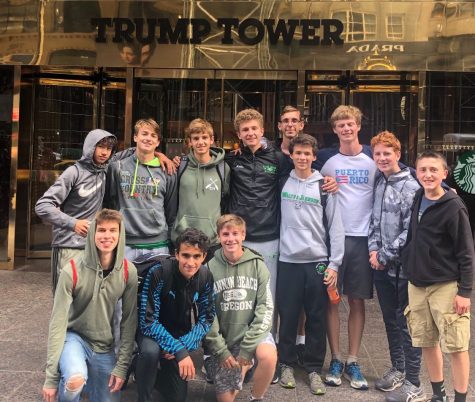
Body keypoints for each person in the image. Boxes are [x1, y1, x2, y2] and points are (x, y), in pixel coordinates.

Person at [42, 209, 138, 402]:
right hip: (74, 337)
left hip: (103, 345)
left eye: (113, 230)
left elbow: (128, 322)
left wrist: (122, 366)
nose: (107, 236)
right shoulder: (71, 271)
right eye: (101, 230)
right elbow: (57, 324)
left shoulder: (128, 271)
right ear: (93, 233)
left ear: (120, 234)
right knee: (74, 379)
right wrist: (50, 379)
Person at [402, 151, 474, 402]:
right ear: (417, 173)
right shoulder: (417, 197)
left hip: (446, 285)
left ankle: (461, 398)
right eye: (423, 170)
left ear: (444, 174)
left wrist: (465, 291)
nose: (428, 174)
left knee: (456, 345)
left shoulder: (454, 207)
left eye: (434, 170)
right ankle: (437, 394)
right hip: (417, 284)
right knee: (426, 341)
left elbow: (466, 252)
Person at [277, 134, 344, 395]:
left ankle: (315, 368)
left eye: (307, 153)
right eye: (298, 153)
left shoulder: (324, 187)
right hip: (288, 260)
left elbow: (337, 228)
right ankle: (286, 364)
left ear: (315, 157)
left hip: (317, 261)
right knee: (289, 316)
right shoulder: (282, 182)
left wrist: (334, 264)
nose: (303, 157)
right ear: (291, 155)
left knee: (316, 317)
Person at [316, 105, 377, 390]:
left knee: (356, 300)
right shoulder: (327, 160)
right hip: (333, 239)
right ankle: (336, 358)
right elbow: (296, 163)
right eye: (341, 125)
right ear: (335, 129)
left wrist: (443, 184)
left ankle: (353, 360)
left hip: (362, 238)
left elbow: (403, 170)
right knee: (332, 299)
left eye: (350, 124)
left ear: (358, 126)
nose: (346, 129)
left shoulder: (373, 158)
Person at [368, 131, 423, 402]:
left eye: (386, 153)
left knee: (407, 325)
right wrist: (373, 251)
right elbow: (374, 221)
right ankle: (398, 368)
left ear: (398, 155)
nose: (381, 158)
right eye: (377, 153)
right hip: (380, 265)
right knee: (389, 320)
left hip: (402, 268)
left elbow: (410, 231)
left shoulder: (411, 186)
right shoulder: (379, 180)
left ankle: (414, 380)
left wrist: (385, 254)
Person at [136, 228, 215, 402]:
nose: (191, 262)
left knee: (177, 396)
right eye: (186, 255)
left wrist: (181, 345)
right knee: (150, 351)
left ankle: (145, 371)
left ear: (204, 257)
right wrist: (179, 350)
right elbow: (148, 321)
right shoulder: (158, 272)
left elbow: (206, 318)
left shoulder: (205, 276)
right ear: (176, 254)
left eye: (196, 256)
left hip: (178, 333)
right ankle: (143, 394)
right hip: (150, 331)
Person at [204, 214, 277, 402]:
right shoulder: (209, 269)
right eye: (226, 234)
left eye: (235, 233)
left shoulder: (258, 265)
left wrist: (247, 348)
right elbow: (207, 315)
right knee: (225, 399)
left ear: (243, 235)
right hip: (225, 340)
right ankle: (243, 367)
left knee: (268, 356)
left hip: (252, 334)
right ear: (219, 237)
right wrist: (221, 350)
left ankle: (256, 397)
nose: (231, 239)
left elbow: (265, 308)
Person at [35, 130, 117, 291]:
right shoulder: (73, 172)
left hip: (93, 248)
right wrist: (73, 223)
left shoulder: (104, 172)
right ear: (89, 147)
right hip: (67, 247)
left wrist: (160, 155)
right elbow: (42, 205)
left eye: (108, 148)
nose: (104, 152)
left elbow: (134, 152)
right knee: (64, 301)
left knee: (85, 302)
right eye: (100, 146)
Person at [104, 118, 177, 260]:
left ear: (158, 142)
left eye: (153, 136)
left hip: (158, 245)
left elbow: (171, 211)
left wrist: (171, 242)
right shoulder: (117, 168)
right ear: (135, 137)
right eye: (144, 134)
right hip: (125, 244)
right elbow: (110, 204)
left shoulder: (168, 171)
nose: (148, 138)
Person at [171, 118, 230, 261]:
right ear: (190, 142)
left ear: (211, 139)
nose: (200, 142)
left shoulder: (222, 168)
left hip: (212, 241)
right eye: (195, 138)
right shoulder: (180, 166)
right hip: (183, 238)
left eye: (204, 137)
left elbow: (226, 201)